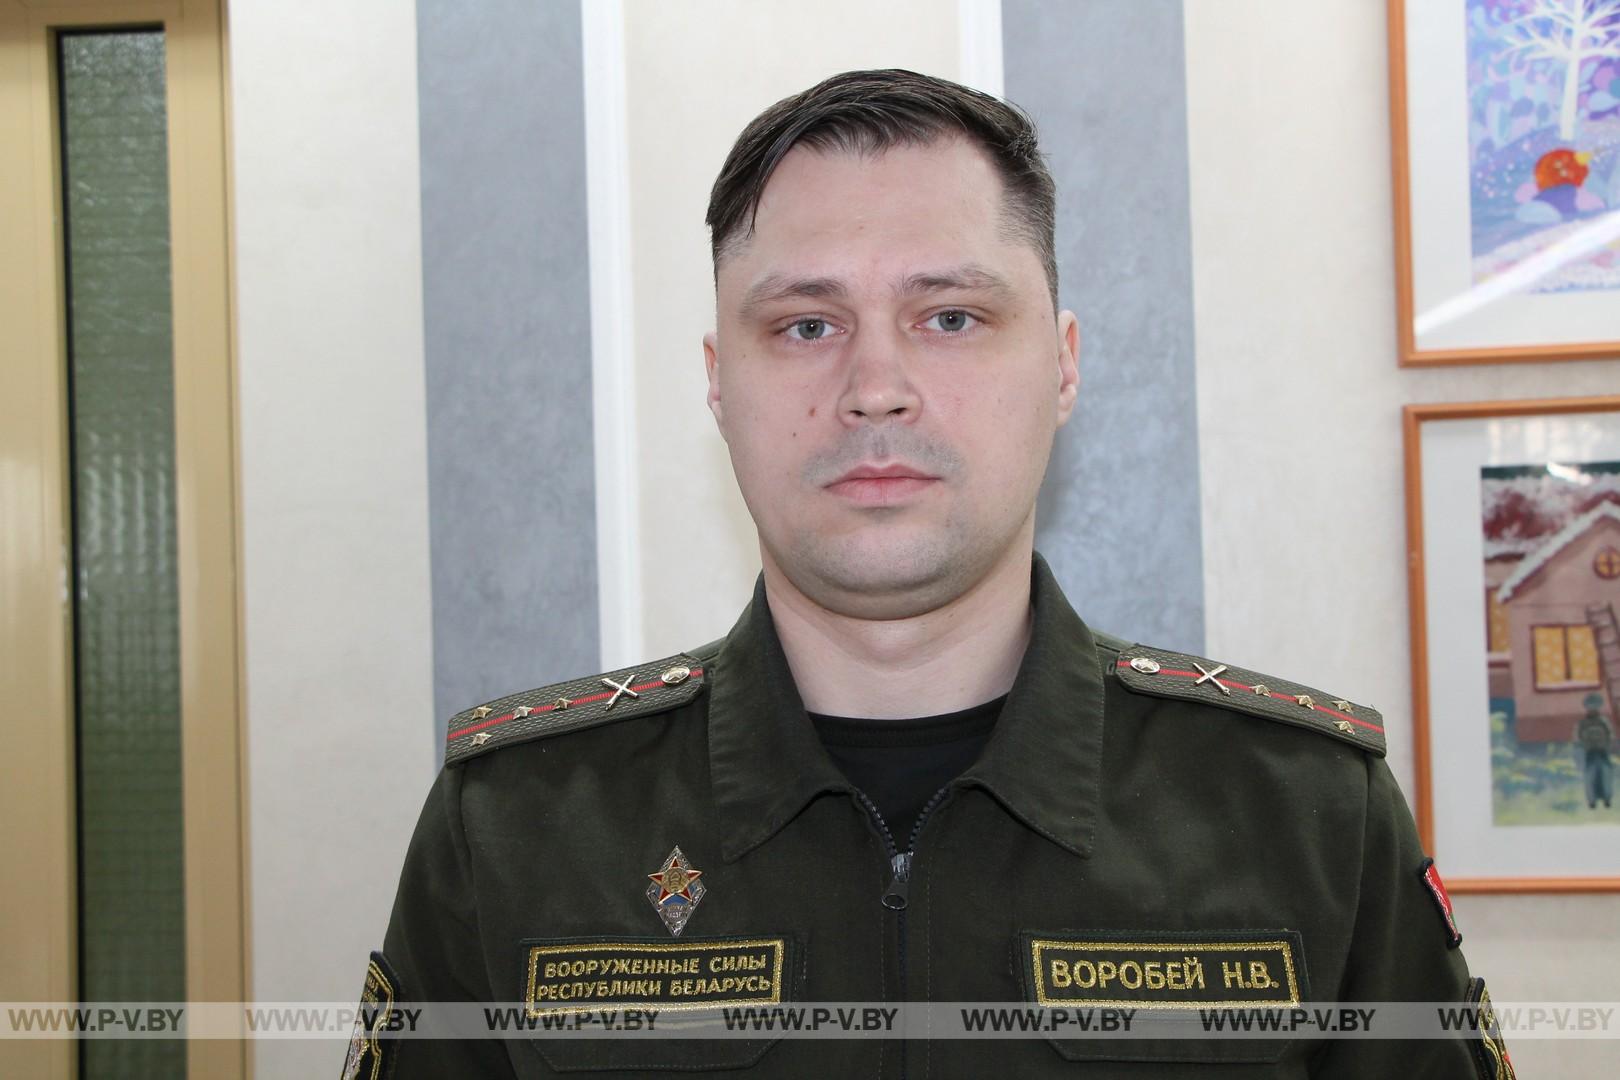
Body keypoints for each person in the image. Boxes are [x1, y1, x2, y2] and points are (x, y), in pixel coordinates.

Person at [347, 70, 1511, 1079]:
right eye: (805, 326)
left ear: (1063, 365)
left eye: (950, 317)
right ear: (717, 381)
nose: (876, 389)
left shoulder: (1304, 817)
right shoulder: (514, 829)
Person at [1577, 692, 1614, 810]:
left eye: (1595, 707)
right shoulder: (1583, 723)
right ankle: (1592, 801)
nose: (1592, 710)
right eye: (1590, 707)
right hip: (1590, 752)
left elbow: (1610, 734)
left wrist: (1608, 745)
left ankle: (1607, 799)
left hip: (1603, 751)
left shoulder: (1603, 721)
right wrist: (1583, 746)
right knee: (1590, 775)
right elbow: (1578, 737)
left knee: (1606, 773)